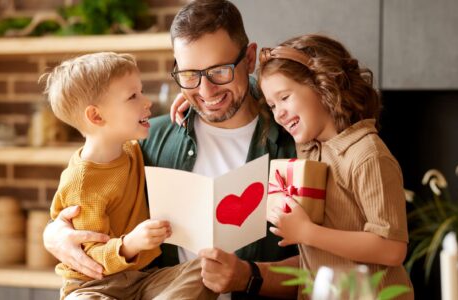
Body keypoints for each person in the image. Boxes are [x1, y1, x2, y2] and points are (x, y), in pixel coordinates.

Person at [43, 1, 300, 299]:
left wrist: (251, 276)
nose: (206, 92)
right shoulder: (150, 141)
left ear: (250, 58)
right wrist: (54, 233)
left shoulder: (294, 143)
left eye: (219, 71)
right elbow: (88, 194)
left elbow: (331, 269)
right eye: (190, 74)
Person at [42, 52, 216, 300]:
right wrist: (130, 244)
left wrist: (194, 101)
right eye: (133, 96)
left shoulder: (133, 150)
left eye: (141, 91)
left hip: (142, 279)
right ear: (96, 116)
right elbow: (88, 257)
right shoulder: (83, 180)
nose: (147, 102)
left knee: (206, 270)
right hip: (95, 286)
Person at [257, 34, 414, 299]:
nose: (278, 113)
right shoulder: (308, 146)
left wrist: (307, 233)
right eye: (272, 105)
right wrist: (194, 100)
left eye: (284, 98)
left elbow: (392, 248)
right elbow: (246, 100)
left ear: (323, 85)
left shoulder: (367, 155)